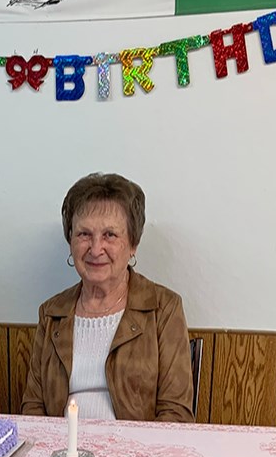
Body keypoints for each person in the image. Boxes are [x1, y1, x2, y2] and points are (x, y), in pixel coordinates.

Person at [21, 173, 194, 422]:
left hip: (136, 455)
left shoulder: (163, 308)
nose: (95, 248)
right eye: (83, 235)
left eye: (110, 235)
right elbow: (33, 408)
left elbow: (176, 412)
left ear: (133, 244)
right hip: (63, 454)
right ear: (70, 241)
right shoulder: (51, 312)